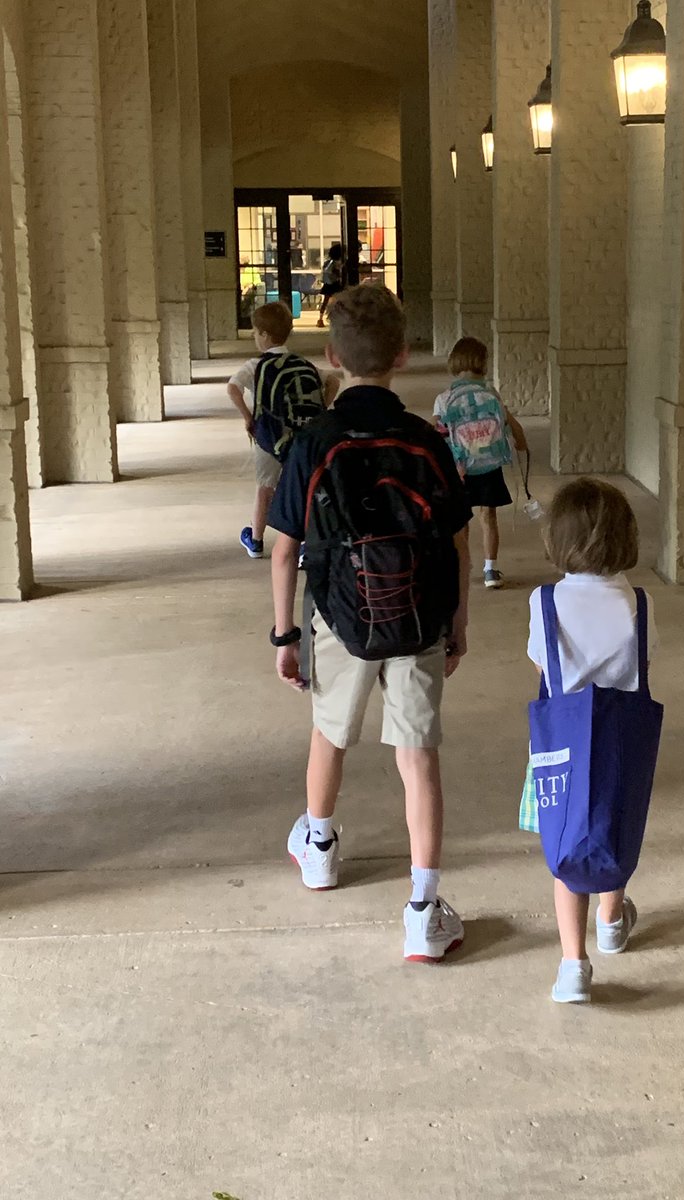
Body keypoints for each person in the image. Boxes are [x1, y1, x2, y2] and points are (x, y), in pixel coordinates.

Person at [268, 285, 472, 964]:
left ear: (331, 356)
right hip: (418, 618)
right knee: (418, 758)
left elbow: (285, 548)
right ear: (404, 357)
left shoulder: (314, 440)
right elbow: (456, 539)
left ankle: (320, 848)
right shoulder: (424, 440)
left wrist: (285, 635)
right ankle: (422, 907)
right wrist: (457, 621)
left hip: (339, 617)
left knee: (330, 734)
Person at [526, 478, 658, 1004]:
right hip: (621, 744)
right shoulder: (639, 604)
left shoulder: (546, 602)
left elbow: (540, 660)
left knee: (568, 842)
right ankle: (610, 920)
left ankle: (572, 966)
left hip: (560, 745)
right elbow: (643, 665)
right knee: (610, 821)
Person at [226, 301, 337, 558]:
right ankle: (303, 544)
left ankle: (256, 539)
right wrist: (320, 412)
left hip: (270, 438)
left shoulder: (256, 365)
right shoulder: (301, 363)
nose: (255, 337)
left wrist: (248, 418)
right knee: (304, 485)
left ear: (264, 335)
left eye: (256, 332)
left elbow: (232, 389)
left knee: (265, 487)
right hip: (301, 436)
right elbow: (333, 381)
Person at [434, 337, 527, 589]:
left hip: (460, 469)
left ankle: (462, 569)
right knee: (489, 517)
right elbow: (507, 422)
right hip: (489, 464)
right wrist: (521, 442)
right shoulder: (490, 394)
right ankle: (490, 570)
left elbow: (437, 434)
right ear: (482, 363)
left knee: (461, 522)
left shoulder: (444, 398)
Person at [316, 242, 345, 327]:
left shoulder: (328, 262)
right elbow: (339, 274)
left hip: (328, 284)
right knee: (340, 302)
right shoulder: (339, 263)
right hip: (336, 284)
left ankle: (320, 319)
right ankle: (337, 318)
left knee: (325, 301)